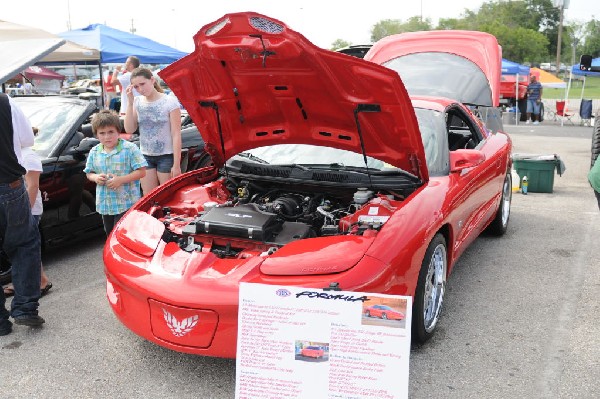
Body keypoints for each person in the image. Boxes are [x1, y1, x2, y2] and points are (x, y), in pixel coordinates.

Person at [0, 93, 45, 335]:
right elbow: (27, 139)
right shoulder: (6, 102)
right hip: (8, 184)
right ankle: (25, 308)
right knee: (24, 244)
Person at [3, 128, 52, 298]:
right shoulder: (15, 154)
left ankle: (36, 283)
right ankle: (41, 280)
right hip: (21, 207)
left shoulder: (28, 156)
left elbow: (33, 186)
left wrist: (24, 211)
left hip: (29, 208)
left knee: (24, 247)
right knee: (25, 246)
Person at [84, 110, 147, 235]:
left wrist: (120, 180)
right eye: (102, 133)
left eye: (111, 132)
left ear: (118, 131)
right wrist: (96, 177)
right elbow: (88, 173)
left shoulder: (129, 149)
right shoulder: (94, 151)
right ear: (96, 135)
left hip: (127, 203)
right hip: (105, 204)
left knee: (123, 235)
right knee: (110, 235)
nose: (107, 137)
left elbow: (142, 171)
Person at [124, 67, 182, 194]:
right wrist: (130, 103)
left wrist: (176, 165)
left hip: (166, 155)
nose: (140, 89)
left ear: (152, 80)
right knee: (149, 197)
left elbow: (176, 134)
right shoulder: (137, 101)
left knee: (167, 196)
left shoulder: (169, 102)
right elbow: (129, 129)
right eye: (136, 86)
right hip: (145, 155)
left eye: (142, 84)